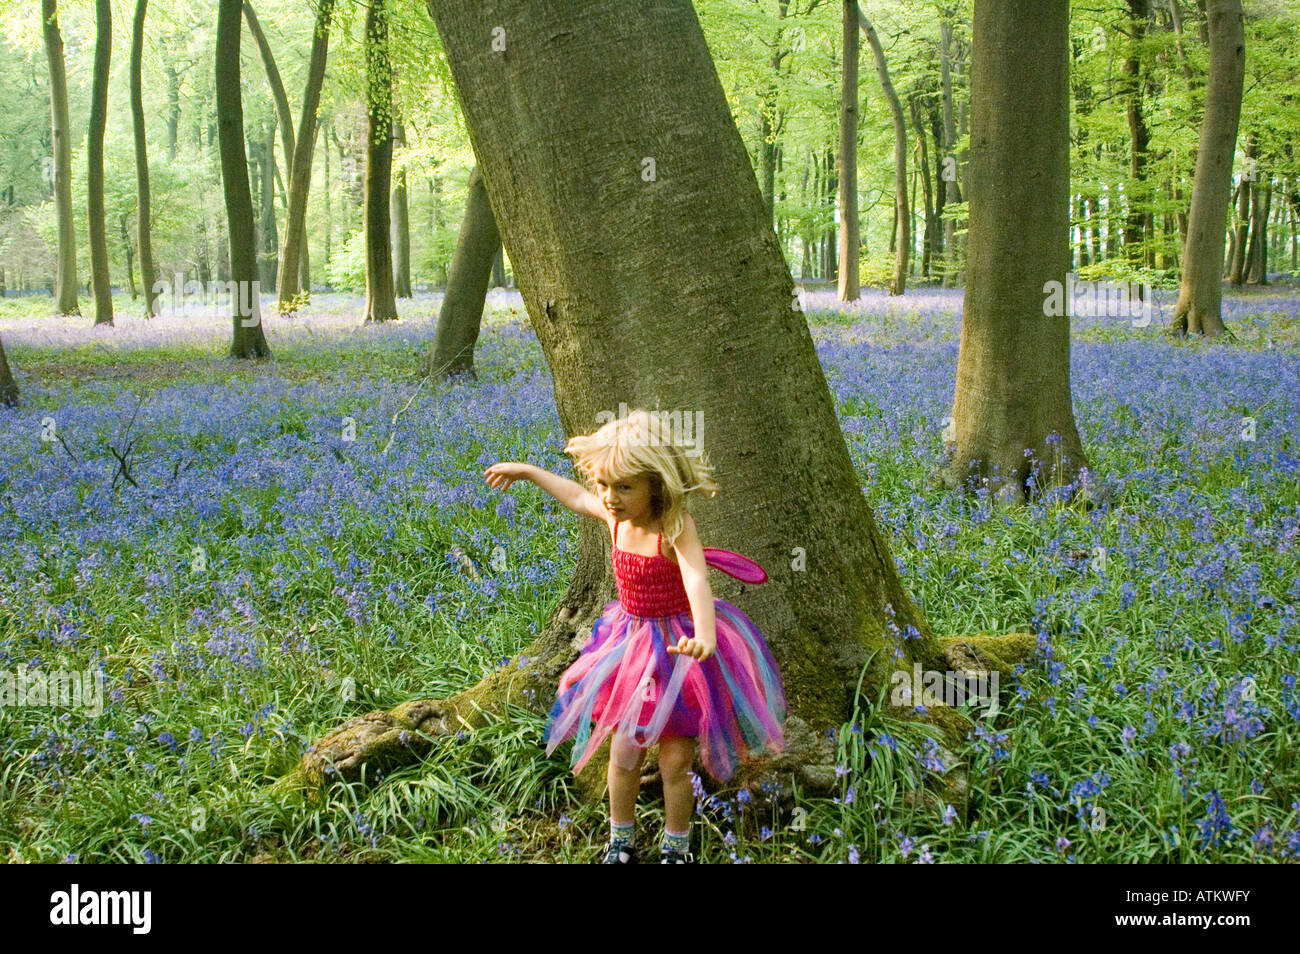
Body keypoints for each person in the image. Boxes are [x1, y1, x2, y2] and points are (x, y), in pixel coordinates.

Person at [484, 408, 786, 864]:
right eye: (604, 485)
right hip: (629, 648)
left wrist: (704, 634)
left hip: (680, 651)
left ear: (655, 485)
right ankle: (621, 842)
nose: (609, 497)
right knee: (624, 752)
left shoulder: (674, 526)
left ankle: (677, 847)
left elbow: (696, 579)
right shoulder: (615, 519)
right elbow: (574, 496)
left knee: (676, 762)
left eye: (623, 487)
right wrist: (527, 472)